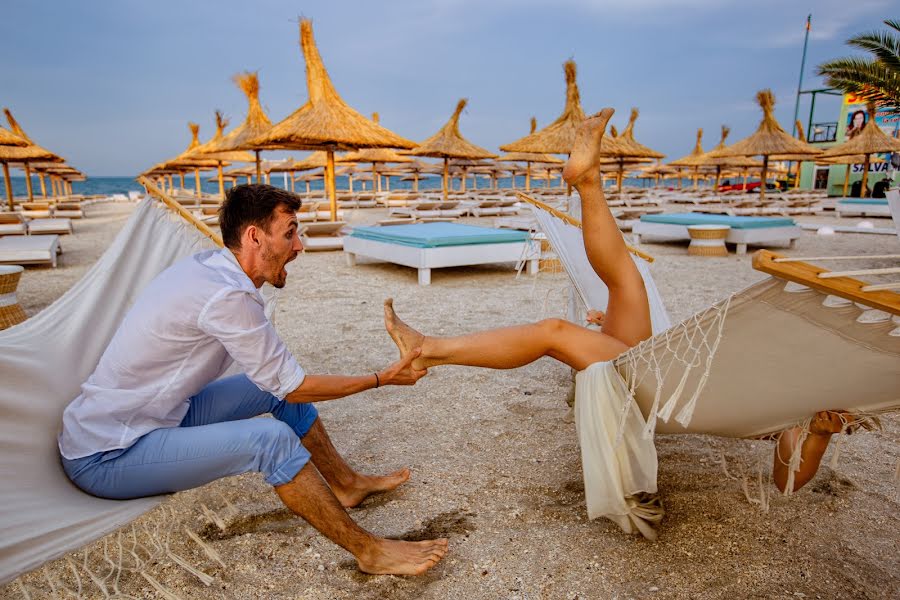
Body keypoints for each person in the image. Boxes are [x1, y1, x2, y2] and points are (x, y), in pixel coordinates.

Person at [382, 109, 850, 495]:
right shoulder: (785, 372)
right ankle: (588, 182)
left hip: (673, 397)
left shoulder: (798, 412)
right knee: (627, 282)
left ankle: (428, 350)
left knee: (554, 333)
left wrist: (820, 439)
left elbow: (787, 481)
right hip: (672, 366)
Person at [58, 184, 447, 576]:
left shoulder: (209, 267)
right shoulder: (227, 296)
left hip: (158, 414)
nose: (299, 247)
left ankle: (346, 485)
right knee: (272, 440)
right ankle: (370, 551)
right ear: (254, 237)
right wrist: (380, 378)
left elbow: (278, 384)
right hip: (108, 452)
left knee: (269, 392)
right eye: (290, 232)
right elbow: (293, 385)